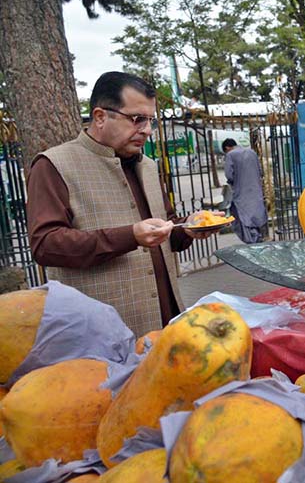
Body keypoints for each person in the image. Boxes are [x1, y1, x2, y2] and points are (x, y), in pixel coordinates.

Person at [26, 71, 221, 336]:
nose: (148, 130)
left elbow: (166, 229)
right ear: (100, 117)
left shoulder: (148, 167)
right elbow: (45, 244)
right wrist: (130, 236)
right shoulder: (54, 165)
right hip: (101, 335)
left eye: (150, 120)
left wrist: (188, 227)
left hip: (168, 325)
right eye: (137, 119)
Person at [222, 138, 268, 243]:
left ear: (227, 148)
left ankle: (252, 240)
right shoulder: (252, 152)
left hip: (241, 192)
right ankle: (258, 237)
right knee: (256, 215)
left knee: (243, 217)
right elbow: (261, 172)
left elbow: (229, 175)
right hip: (256, 191)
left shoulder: (230, 155)